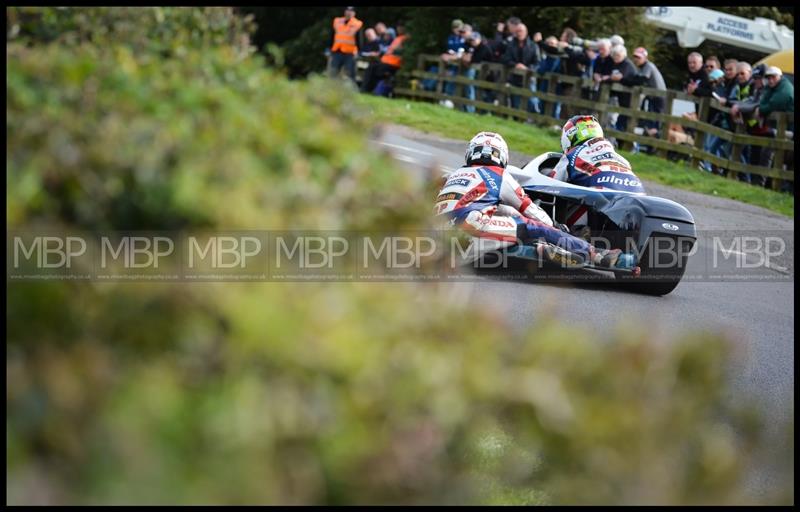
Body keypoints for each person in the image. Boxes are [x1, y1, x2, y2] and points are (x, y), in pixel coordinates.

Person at [435, 131, 637, 269]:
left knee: (511, 218)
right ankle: (595, 254)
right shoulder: (498, 175)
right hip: (470, 227)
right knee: (533, 225)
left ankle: (542, 248)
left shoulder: (453, 175)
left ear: (470, 153)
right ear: (502, 156)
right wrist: (556, 228)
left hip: (437, 233)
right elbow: (531, 210)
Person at [548, 115, 646, 194]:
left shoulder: (572, 155)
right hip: (637, 189)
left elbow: (550, 182)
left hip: (604, 193)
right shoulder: (622, 159)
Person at [629, 47, 666, 146]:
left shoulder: (648, 66)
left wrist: (626, 81)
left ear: (645, 58)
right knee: (650, 121)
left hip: (659, 97)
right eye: (635, 57)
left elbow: (641, 80)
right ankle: (649, 146)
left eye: (639, 57)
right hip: (653, 97)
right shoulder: (642, 67)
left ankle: (654, 146)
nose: (636, 59)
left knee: (655, 123)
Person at [502, 23, 541, 113]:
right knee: (516, 103)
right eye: (517, 31)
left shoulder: (533, 46)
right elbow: (505, 59)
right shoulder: (511, 45)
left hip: (529, 78)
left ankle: (535, 119)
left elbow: (538, 63)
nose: (519, 33)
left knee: (532, 101)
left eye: (521, 31)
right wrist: (515, 65)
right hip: (515, 78)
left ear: (526, 32)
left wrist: (527, 68)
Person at [360, 24, 408, 95]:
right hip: (386, 62)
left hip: (393, 64)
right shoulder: (398, 38)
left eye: (401, 27)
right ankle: (367, 89)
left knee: (372, 69)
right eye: (398, 27)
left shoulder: (405, 38)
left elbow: (401, 52)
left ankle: (366, 89)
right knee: (371, 67)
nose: (399, 29)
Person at [329, 6, 363, 81]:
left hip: (350, 53)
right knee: (333, 72)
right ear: (344, 11)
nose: (349, 12)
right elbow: (332, 35)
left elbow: (359, 39)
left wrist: (359, 51)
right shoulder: (337, 21)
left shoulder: (357, 24)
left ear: (354, 13)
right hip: (337, 50)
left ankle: (351, 90)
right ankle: (331, 89)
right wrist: (329, 48)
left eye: (351, 11)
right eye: (347, 10)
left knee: (350, 73)